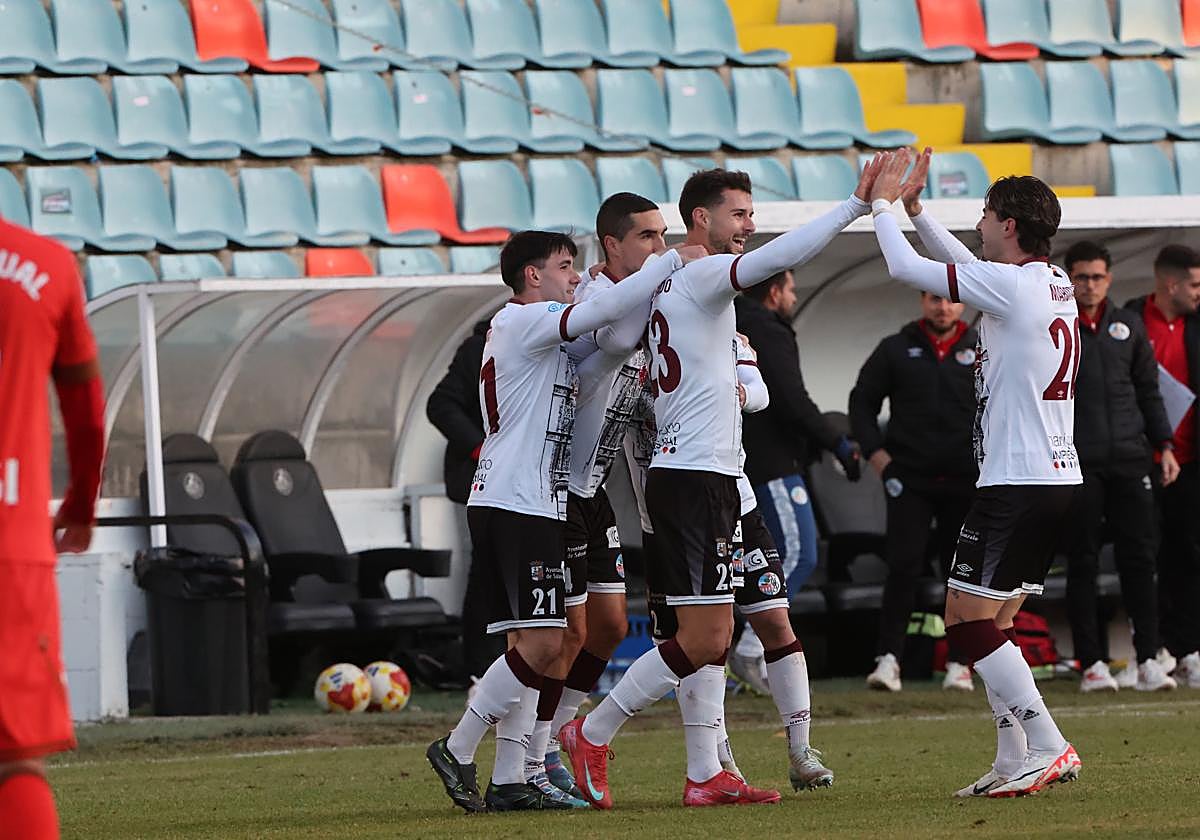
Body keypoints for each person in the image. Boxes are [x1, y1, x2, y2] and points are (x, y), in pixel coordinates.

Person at [561, 162, 882, 810]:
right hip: (693, 477)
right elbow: (779, 257)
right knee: (704, 639)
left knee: (710, 635)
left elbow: (622, 339)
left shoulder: (669, 285)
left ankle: (707, 772)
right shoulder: (701, 273)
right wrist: (853, 206)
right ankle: (588, 732)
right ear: (702, 219)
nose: (751, 226)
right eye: (740, 214)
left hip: (702, 476)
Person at [426, 230, 703, 814]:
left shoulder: (539, 335)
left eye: (576, 267)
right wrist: (672, 258)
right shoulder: (525, 321)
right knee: (547, 641)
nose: (574, 276)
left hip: (538, 500)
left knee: (544, 644)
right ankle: (458, 746)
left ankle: (509, 779)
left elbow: (613, 343)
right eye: (563, 266)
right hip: (514, 499)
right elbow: (600, 313)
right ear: (532, 276)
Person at [869, 147, 1082, 798]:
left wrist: (879, 203)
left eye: (987, 214)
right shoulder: (1050, 281)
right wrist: (917, 210)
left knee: (965, 620)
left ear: (1009, 226)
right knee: (997, 624)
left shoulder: (1014, 285)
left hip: (1017, 481)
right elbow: (964, 264)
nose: (980, 223)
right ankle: (1012, 755)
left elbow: (909, 266)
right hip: (1051, 477)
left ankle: (1048, 745)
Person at [523, 193, 671, 806]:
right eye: (648, 239)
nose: (659, 249)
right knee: (560, 635)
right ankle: (531, 753)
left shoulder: (649, 300)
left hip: (596, 491)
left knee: (609, 628)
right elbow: (613, 347)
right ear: (613, 245)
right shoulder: (584, 304)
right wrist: (675, 269)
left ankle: (560, 728)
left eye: (665, 237)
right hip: (556, 490)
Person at [0, 218, 107, 840]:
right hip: (11, 547)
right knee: (13, 760)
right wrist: (78, 507)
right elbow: (87, 417)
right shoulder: (46, 264)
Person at [849, 286, 979, 693]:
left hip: (965, 480)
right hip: (911, 481)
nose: (943, 307)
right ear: (922, 301)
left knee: (960, 573)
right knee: (903, 568)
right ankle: (889, 660)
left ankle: (961, 663)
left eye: (951, 299)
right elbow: (861, 403)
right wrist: (877, 456)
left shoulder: (983, 346)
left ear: (963, 303)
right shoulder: (895, 347)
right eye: (934, 298)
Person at [1063, 240, 1179, 693]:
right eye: (1080, 277)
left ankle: (1148, 658)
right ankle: (1091, 662)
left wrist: (1164, 444)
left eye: (1096, 277)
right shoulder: (1058, 327)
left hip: (1132, 461)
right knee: (1083, 562)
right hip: (1080, 463)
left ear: (1108, 279)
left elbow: (1149, 392)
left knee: (1139, 560)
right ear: (1067, 279)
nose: (1089, 285)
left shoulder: (1129, 326)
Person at [1125, 244, 1200, 689]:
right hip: (1140, 460)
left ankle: (1188, 647)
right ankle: (1152, 649)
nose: (1199, 292)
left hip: (1190, 460)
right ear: (1170, 283)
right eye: (1194, 284)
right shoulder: (1131, 320)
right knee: (1143, 556)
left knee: (1188, 556)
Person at [425, 315, 504, 685]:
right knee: (489, 566)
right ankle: (481, 669)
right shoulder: (480, 346)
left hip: (531, 479)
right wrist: (479, 448)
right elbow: (440, 404)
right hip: (484, 481)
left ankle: (522, 670)